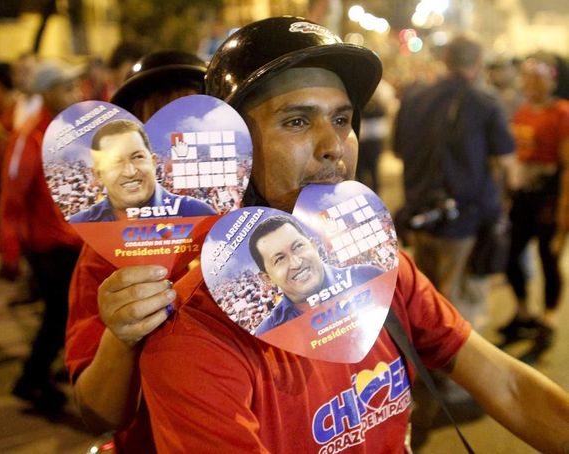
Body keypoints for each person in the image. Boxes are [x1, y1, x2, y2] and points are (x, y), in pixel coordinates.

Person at [135, 17, 569, 453]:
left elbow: (507, 386)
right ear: (231, 148)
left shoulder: (374, 259)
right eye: (297, 122)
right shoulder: (195, 328)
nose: (334, 146)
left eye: (342, 118)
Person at [64, 50, 208, 446]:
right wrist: (121, 335)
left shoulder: (256, 224)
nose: (179, 148)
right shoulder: (105, 253)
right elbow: (98, 413)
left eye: (195, 124)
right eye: (155, 131)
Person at [394, 34, 515, 332]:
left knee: (423, 300)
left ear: (445, 61)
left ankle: (425, 373)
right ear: (478, 64)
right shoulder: (485, 102)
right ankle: (452, 377)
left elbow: (398, 149)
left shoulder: (414, 98)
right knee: (459, 308)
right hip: (465, 221)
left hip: (419, 214)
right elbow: (508, 163)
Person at [0, 59, 84, 412]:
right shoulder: (30, 136)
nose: (75, 94)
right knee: (58, 315)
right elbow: (12, 193)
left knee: (66, 314)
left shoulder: (71, 130)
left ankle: (46, 373)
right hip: (49, 245)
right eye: (67, 88)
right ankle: (31, 378)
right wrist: (8, 246)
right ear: (47, 93)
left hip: (72, 240)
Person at [500, 54, 569, 360]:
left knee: (548, 257)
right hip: (523, 196)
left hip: (550, 198)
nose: (530, 83)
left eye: (538, 77)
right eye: (526, 77)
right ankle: (524, 312)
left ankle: (548, 320)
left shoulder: (562, 113)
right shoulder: (522, 112)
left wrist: (564, 209)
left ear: (552, 80)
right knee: (511, 255)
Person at [247, 215, 381, 334]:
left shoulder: (367, 277)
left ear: (314, 245)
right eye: (279, 259)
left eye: (298, 246)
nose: (296, 263)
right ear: (267, 278)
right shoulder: (269, 334)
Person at [69, 119, 215, 223]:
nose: (130, 171)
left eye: (137, 157)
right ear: (98, 174)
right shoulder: (81, 225)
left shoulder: (197, 213)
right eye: (115, 162)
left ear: (153, 162)